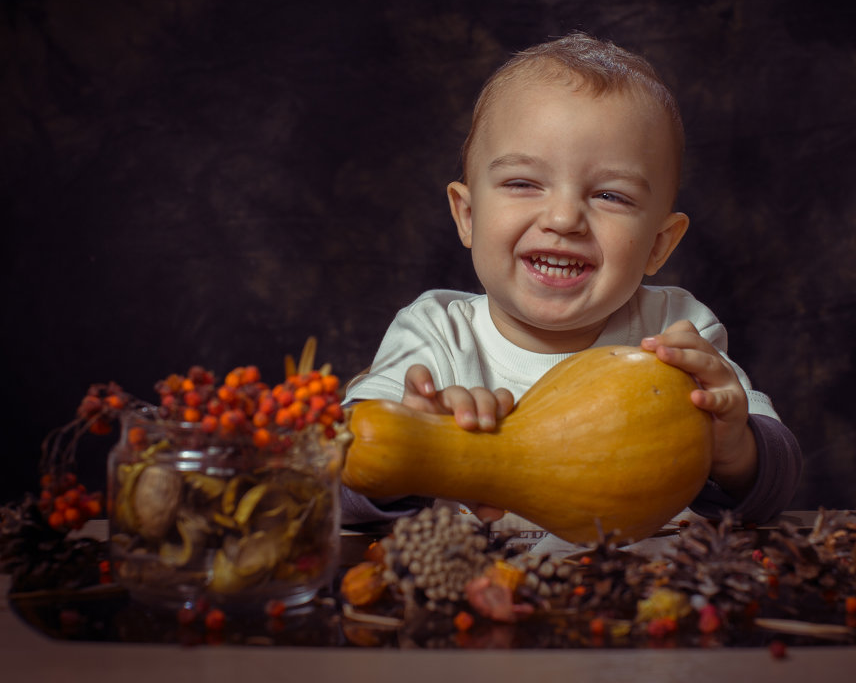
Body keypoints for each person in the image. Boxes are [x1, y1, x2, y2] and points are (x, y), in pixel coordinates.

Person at [341, 33, 801, 546]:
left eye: (610, 195)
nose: (563, 218)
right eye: (523, 183)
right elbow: (333, 477)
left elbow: (775, 485)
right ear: (467, 215)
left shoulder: (675, 335)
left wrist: (734, 450)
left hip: (638, 605)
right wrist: (413, 452)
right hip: (474, 603)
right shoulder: (435, 334)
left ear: (658, 244)